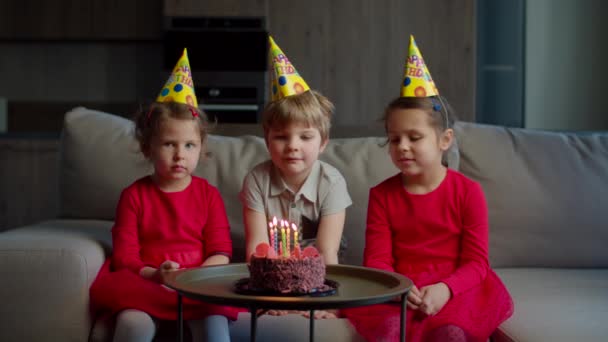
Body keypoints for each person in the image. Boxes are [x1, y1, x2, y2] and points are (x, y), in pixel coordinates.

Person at [344, 36, 513, 342]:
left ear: (444, 140)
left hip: (456, 288)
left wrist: (446, 289)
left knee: (450, 333)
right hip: (400, 289)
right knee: (389, 332)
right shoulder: (382, 195)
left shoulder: (468, 192)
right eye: (395, 139)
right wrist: (400, 288)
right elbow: (377, 261)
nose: (403, 147)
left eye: (414, 137)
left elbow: (476, 263)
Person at [90, 49, 236, 342]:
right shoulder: (133, 196)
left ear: (201, 147)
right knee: (133, 324)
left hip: (199, 283)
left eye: (190, 145)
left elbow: (221, 251)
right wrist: (158, 274)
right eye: (169, 144)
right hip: (148, 282)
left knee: (215, 325)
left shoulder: (208, 196)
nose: (180, 155)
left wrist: (193, 278)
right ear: (148, 148)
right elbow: (125, 257)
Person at [239, 37, 352, 318]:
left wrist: (327, 303)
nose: (293, 146)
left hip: (320, 278)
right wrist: (267, 295)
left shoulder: (332, 182)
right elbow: (256, 247)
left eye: (305, 136)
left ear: (323, 142)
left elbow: (327, 251)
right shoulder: (257, 179)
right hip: (271, 280)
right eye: (281, 136)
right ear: (267, 140)